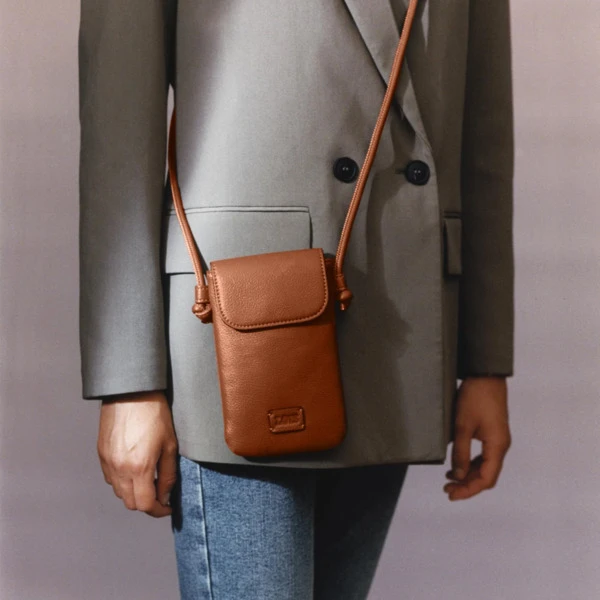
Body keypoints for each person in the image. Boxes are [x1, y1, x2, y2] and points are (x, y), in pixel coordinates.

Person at [77, 1, 514, 598]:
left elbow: (484, 121)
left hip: (399, 313)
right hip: (241, 330)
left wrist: (484, 362)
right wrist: (129, 381)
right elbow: (117, 120)